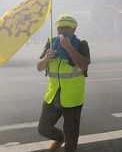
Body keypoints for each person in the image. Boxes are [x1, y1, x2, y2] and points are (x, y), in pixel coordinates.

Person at [37, 14, 90, 152]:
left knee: (71, 137)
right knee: (43, 128)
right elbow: (39, 67)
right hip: (53, 96)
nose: (63, 30)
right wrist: (47, 57)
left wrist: (68, 48)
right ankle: (60, 138)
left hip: (73, 99)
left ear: (74, 29)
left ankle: (67, 142)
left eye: (67, 27)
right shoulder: (51, 42)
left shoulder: (82, 44)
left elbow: (83, 65)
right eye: (60, 27)